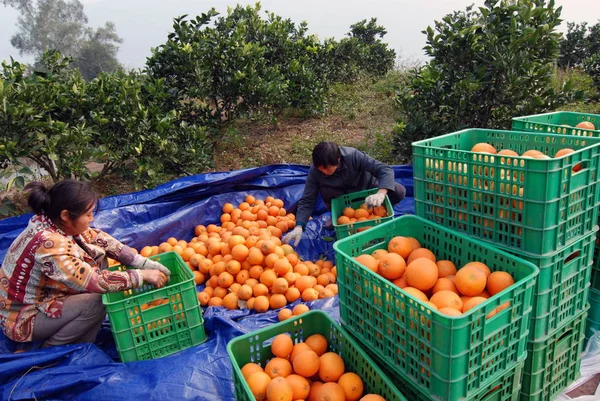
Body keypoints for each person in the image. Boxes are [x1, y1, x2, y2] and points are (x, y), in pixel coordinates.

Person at [0, 180, 171, 348]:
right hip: (25, 315)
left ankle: (81, 337)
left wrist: (140, 262)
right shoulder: (49, 245)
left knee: (98, 256)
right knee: (96, 303)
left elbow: (98, 238)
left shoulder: (53, 221)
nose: (92, 218)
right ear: (66, 215)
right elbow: (94, 281)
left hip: (46, 294)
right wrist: (140, 276)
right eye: (88, 214)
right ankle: (51, 351)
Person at [283, 142, 406, 246]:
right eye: (321, 170)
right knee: (327, 192)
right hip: (341, 199)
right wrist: (299, 226)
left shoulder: (353, 156)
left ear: (338, 160)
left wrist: (380, 193)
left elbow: (384, 169)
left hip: (366, 191)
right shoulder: (315, 172)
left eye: (329, 169)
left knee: (398, 190)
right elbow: (307, 200)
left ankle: (381, 213)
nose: (325, 173)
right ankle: (338, 216)